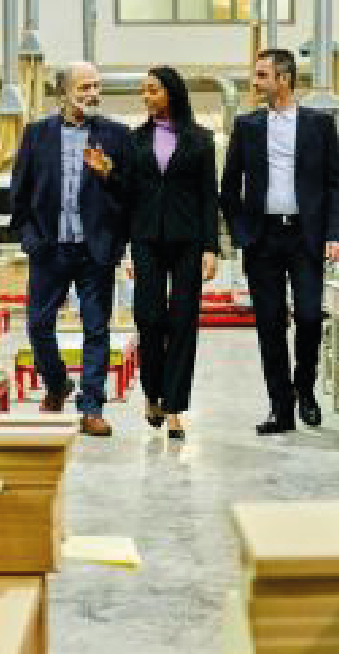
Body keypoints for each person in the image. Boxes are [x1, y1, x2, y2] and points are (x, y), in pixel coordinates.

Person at [219, 48, 339, 435]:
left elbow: (337, 184)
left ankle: (304, 388)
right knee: (270, 325)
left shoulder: (319, 125)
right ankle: (281, 408)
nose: (254, 82)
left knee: (309, 317)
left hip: (306, 237)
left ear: (284, 79)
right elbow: (229, 187)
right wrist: (241, 233)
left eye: (262, 75)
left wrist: (335, 234)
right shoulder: (247, 126)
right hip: (263, 239)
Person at [10, 61, 133, 437]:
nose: (92, 94)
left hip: (95, 250)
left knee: (96, 328)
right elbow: (20, 191)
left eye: (96, 86)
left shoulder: (116, 135)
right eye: (83, 87)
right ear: (63, 93)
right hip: (49, 248)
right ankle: (57, 382)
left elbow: (130, 195)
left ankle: (91, 406)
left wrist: (109, 175)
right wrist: (30, 237)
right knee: (38, 324)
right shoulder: (36, 134)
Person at [126, 66, 220, 440]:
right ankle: (152, 393)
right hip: (146, 239)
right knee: (149, 319)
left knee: (183, 323)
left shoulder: (201, 140)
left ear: (171, 93)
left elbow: (209, 197)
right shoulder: (135, 140)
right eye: (144, 91)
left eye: (153, 90)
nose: (146, 97)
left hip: (188, 241)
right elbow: (128, 194)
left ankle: (175, 408)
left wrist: (211, 247)